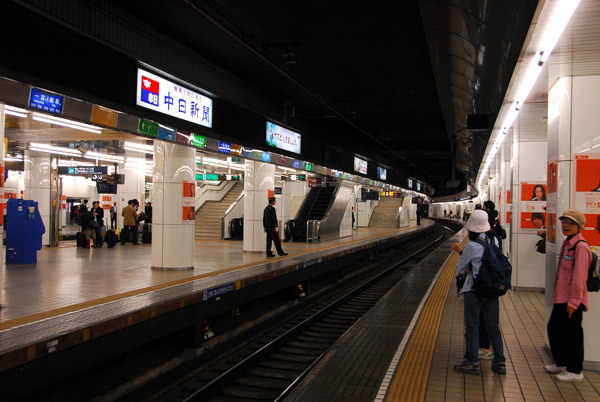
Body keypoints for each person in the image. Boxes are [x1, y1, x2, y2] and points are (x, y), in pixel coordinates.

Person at [451, 209, 506, 375]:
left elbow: (461, 268)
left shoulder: (472, 246)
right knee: (493, 326)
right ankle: (500, 362)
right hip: (492, 291)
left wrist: (468, 264)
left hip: (473, 290)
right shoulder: (494, 241)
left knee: (473, 325)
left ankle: (471, 362)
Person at [545, 209, 592, 382]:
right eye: (564, 222)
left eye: (570, 222)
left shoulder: (581, 247)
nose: (565, 225)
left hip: (572, 300)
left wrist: (573, 302)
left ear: (579, 225)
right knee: (555, 329)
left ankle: (575, 370)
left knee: (572, 334)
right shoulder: (567, 243)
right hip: (561, 297)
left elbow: (579, 278)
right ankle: (562, 363)